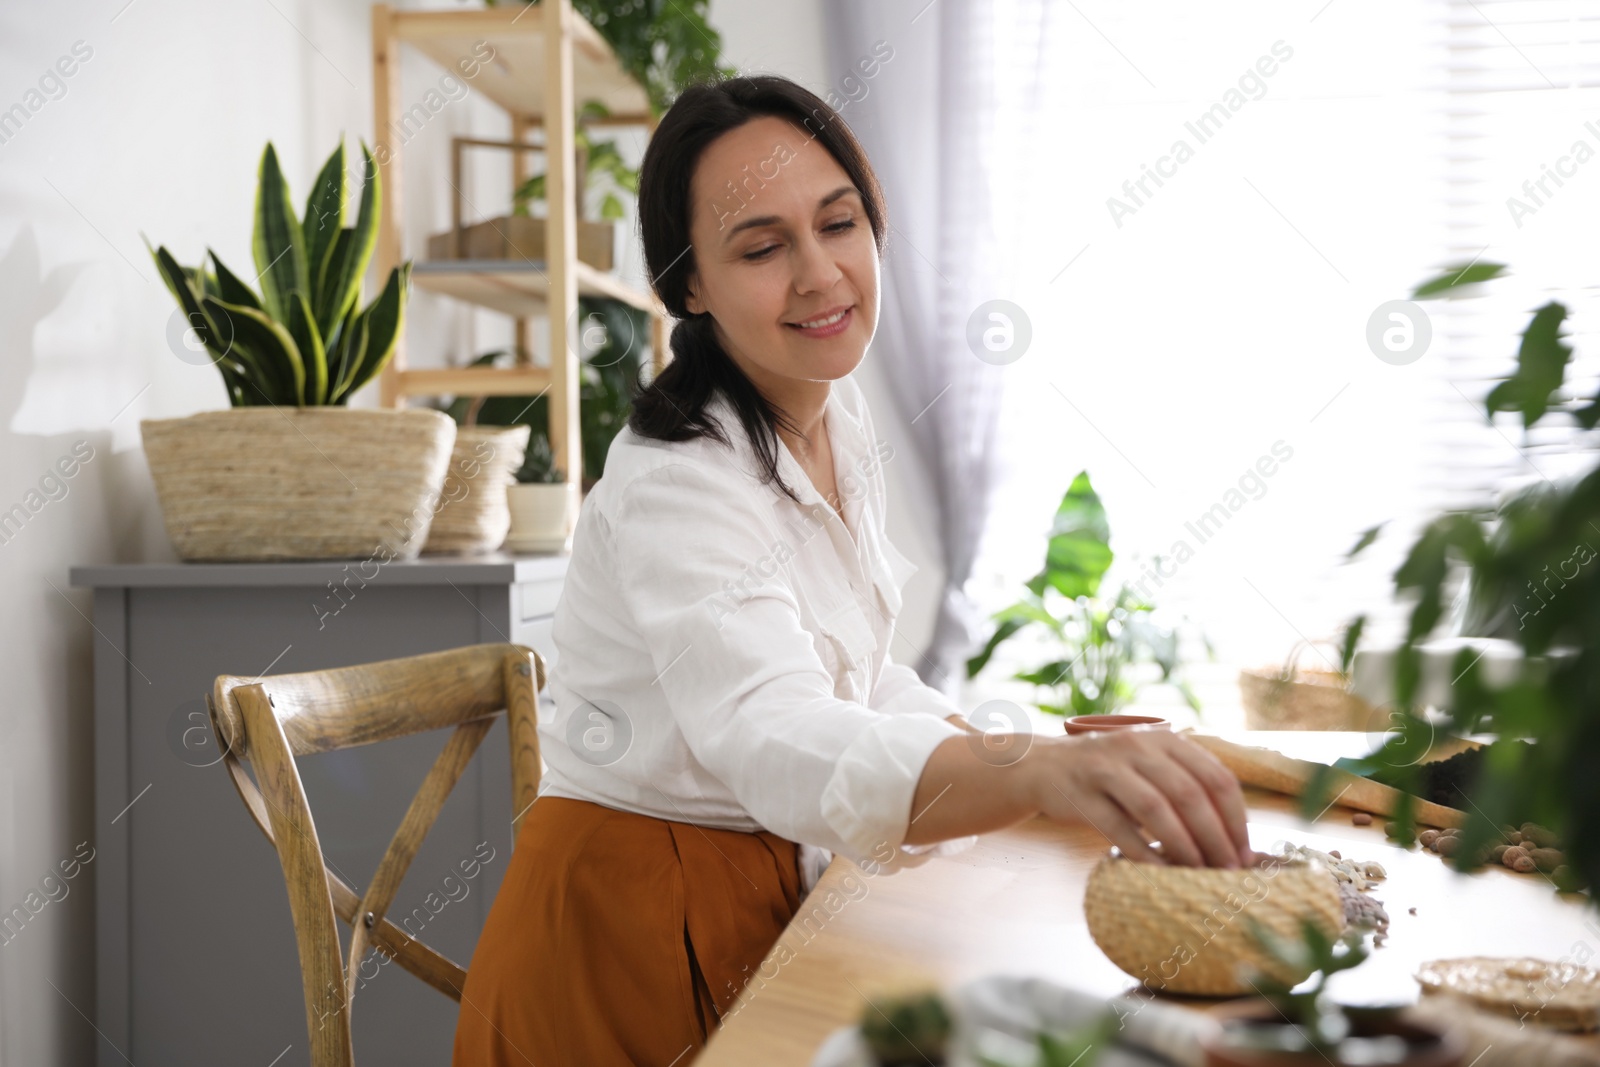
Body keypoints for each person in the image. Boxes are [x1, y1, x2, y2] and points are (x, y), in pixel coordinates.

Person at [452, 74, 1251, 1067]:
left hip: (771, 884)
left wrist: (1020, 759)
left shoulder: (831, 410)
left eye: (839, 224)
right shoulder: (677, 482)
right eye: (760, 246)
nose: (821, 273)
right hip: (635, 931)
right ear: (687, 283)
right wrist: (1035, 771)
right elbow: (776, 733)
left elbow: (855, 678)